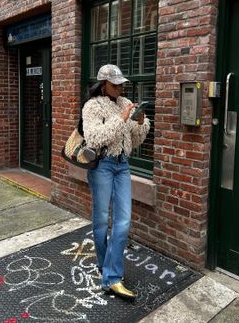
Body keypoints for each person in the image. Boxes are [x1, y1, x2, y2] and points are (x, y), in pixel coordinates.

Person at [82, 64, 150, 300]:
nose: (121, 88)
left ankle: (111, 278)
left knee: (124, 220)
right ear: (103, 84)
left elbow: (135, 138)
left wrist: (140, 122)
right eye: (116, 84)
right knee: (101, 219)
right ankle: (104, 265)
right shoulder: (92, 106)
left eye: (122, 84)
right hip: (102, 165)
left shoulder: (125, 103)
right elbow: (94, 138)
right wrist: (121, 120)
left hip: (123, 166)